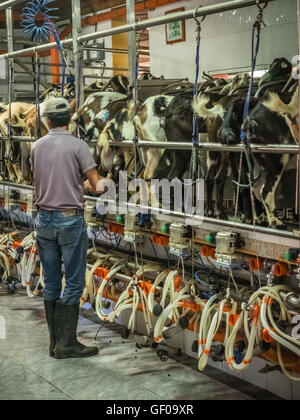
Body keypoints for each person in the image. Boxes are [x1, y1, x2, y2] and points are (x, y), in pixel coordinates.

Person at [30, 97, 102, 359]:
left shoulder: (36, 146)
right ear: (69, 119)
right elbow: (96, 184)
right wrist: (107, 181)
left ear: (46, 120)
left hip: (43, 220)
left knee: (50, 283)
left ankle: (54, 344)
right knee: (72, 283)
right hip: (70, 220)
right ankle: (66, 344)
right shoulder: (78, 145)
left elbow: (46, 178)